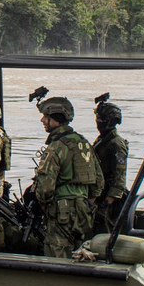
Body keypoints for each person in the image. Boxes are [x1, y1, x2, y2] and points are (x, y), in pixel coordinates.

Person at [32, 97, 103, 258]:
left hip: (60, 212)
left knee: (56, 254)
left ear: (55, 119)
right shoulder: (83, 143)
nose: (42, 120)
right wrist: (84, 201)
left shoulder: (56, 147)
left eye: (46, 117)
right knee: (81, 252)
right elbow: (99, 183)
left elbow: (45, 189)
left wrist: (46, 205)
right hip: (83, 210)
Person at [92, 96, 129, 232]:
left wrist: (111, 197)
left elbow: (120, 173)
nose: (98, 122)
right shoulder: (103, 140)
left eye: (101, 119)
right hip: (100, 190)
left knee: (106, 226)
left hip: (110, 196)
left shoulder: (116, 144)